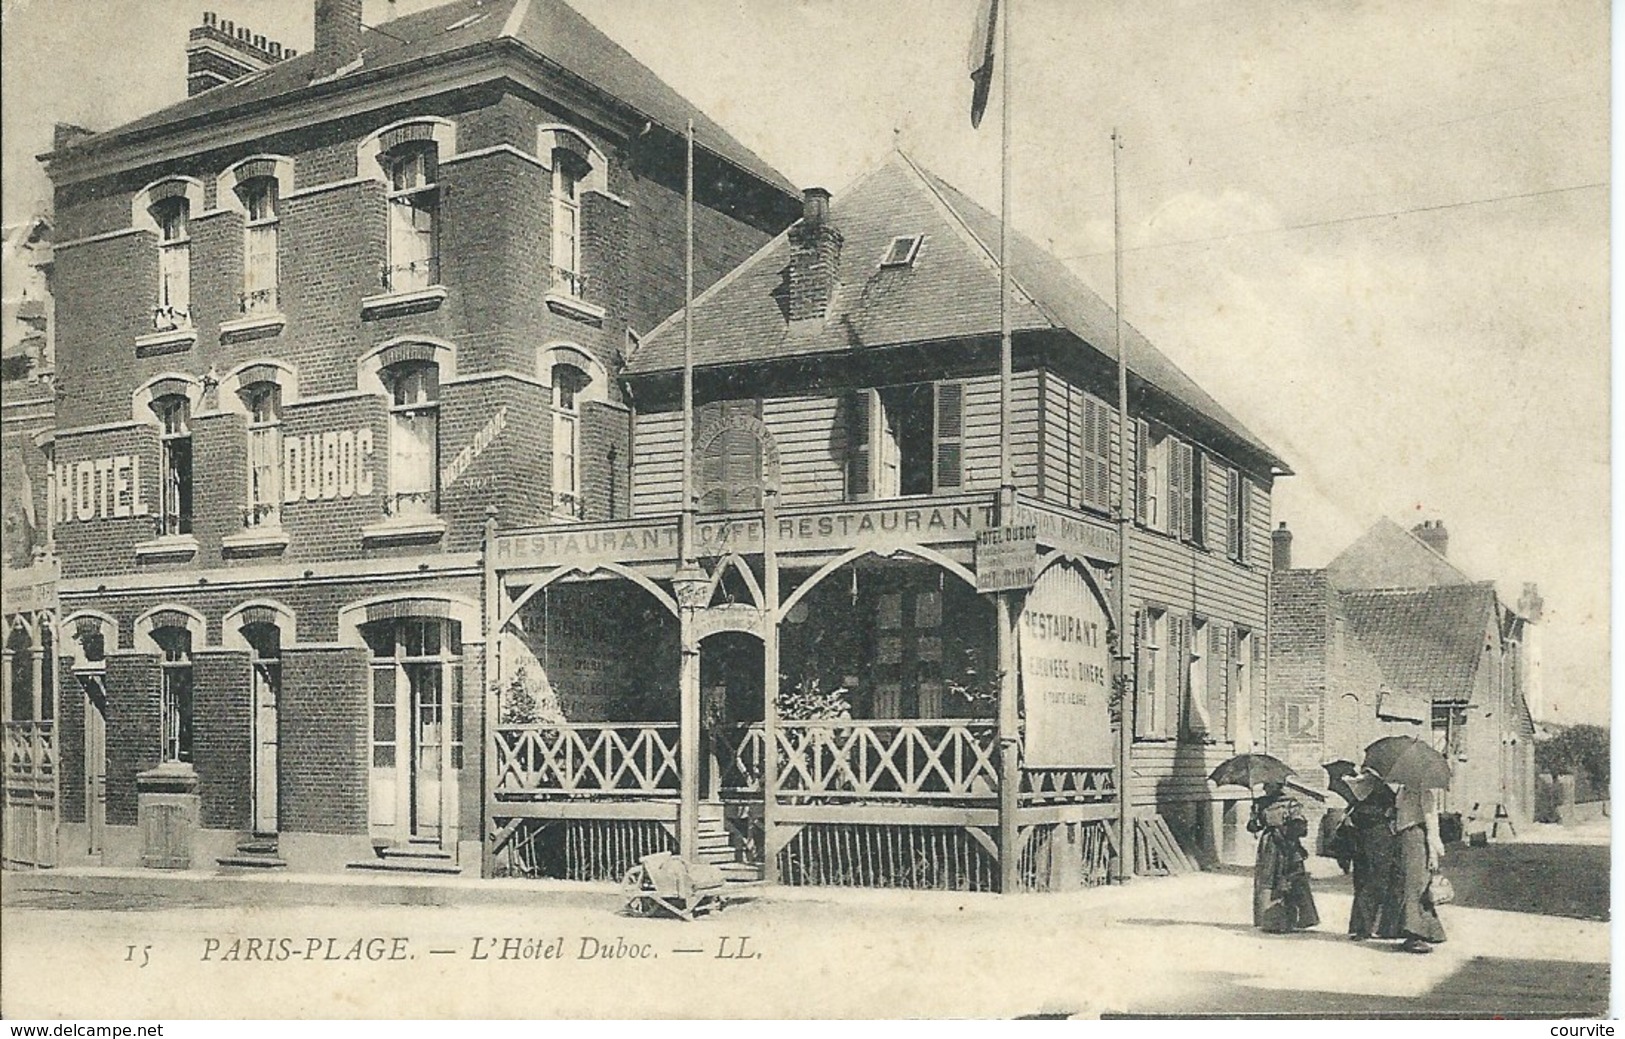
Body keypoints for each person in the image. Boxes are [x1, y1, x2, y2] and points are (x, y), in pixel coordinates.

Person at [1247, 781, 1320, 933]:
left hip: (1288, 843)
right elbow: (1255, 826)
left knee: (1293, 878)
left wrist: (1292, 827)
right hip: (1269, 845)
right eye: (1264, 786)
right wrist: (1254, 820)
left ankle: (1301, 918)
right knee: (1267, 879)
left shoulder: (1290, 803)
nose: (1265, 788)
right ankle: (1267, 919)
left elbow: (1300, 827)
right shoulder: (1260, 803)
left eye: (1269, 786)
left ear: (1278, 786)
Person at [1384, 782, 1448, 953]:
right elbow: (1396, 814)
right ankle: (1411, 933)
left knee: (1416, 886)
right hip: (1403, 839)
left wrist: (1434, 852)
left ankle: (1417, 934)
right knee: (1407, 886)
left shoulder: (1424, 792)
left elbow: (1431, 821)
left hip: (1418, 838)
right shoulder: (1402, 791)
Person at [1344, 770, 1399, 941]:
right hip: (1379, 840)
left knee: (1363, 883)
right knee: (1380, 882)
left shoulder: (1355, 793)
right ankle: (1383, 928)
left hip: (1363, 840)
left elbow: (1350, 816)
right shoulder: (1383, 791)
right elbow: (1394, 811)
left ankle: (1362, 928)